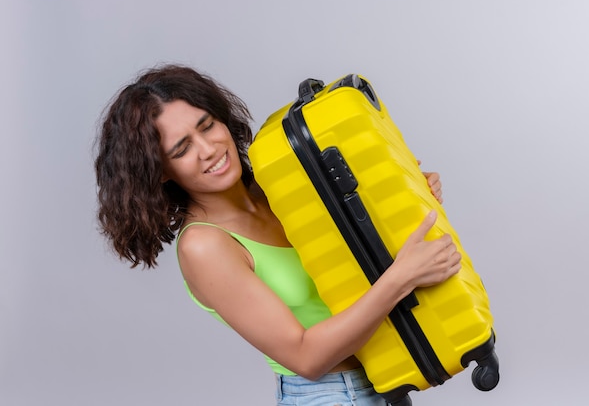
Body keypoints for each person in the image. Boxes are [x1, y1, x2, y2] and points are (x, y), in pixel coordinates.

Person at [94, 64, 461, 405]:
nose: (208, 150)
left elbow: (356, 255)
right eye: (182, 149)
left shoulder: (275, 188)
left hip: (389, 375)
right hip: (332, 395)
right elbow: (306, 356)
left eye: (206, 126)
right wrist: (401, 277)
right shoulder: (204, 246)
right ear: (160, 171)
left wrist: (411, 190)